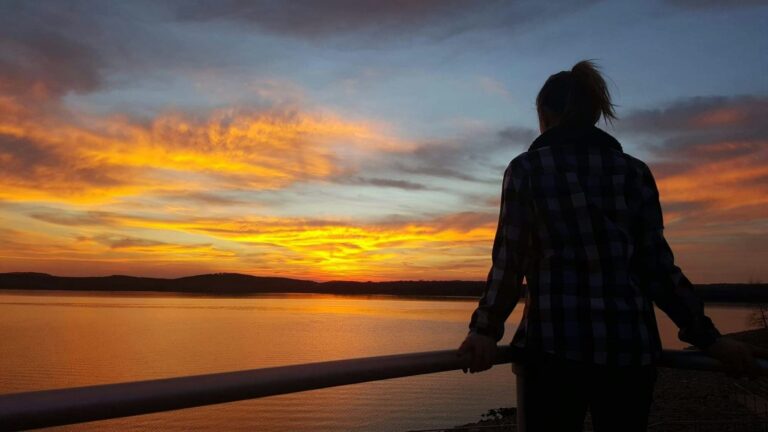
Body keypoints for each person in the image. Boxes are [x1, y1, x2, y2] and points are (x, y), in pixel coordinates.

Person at [456, 60, 767, 432]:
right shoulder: (634, 171)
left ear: (546, 115)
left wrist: (485, 330)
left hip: (554, 352)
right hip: (630, 354)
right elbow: (658, 269)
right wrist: (710, 339)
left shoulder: (528, 169)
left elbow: (510, 260)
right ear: (594, 114)